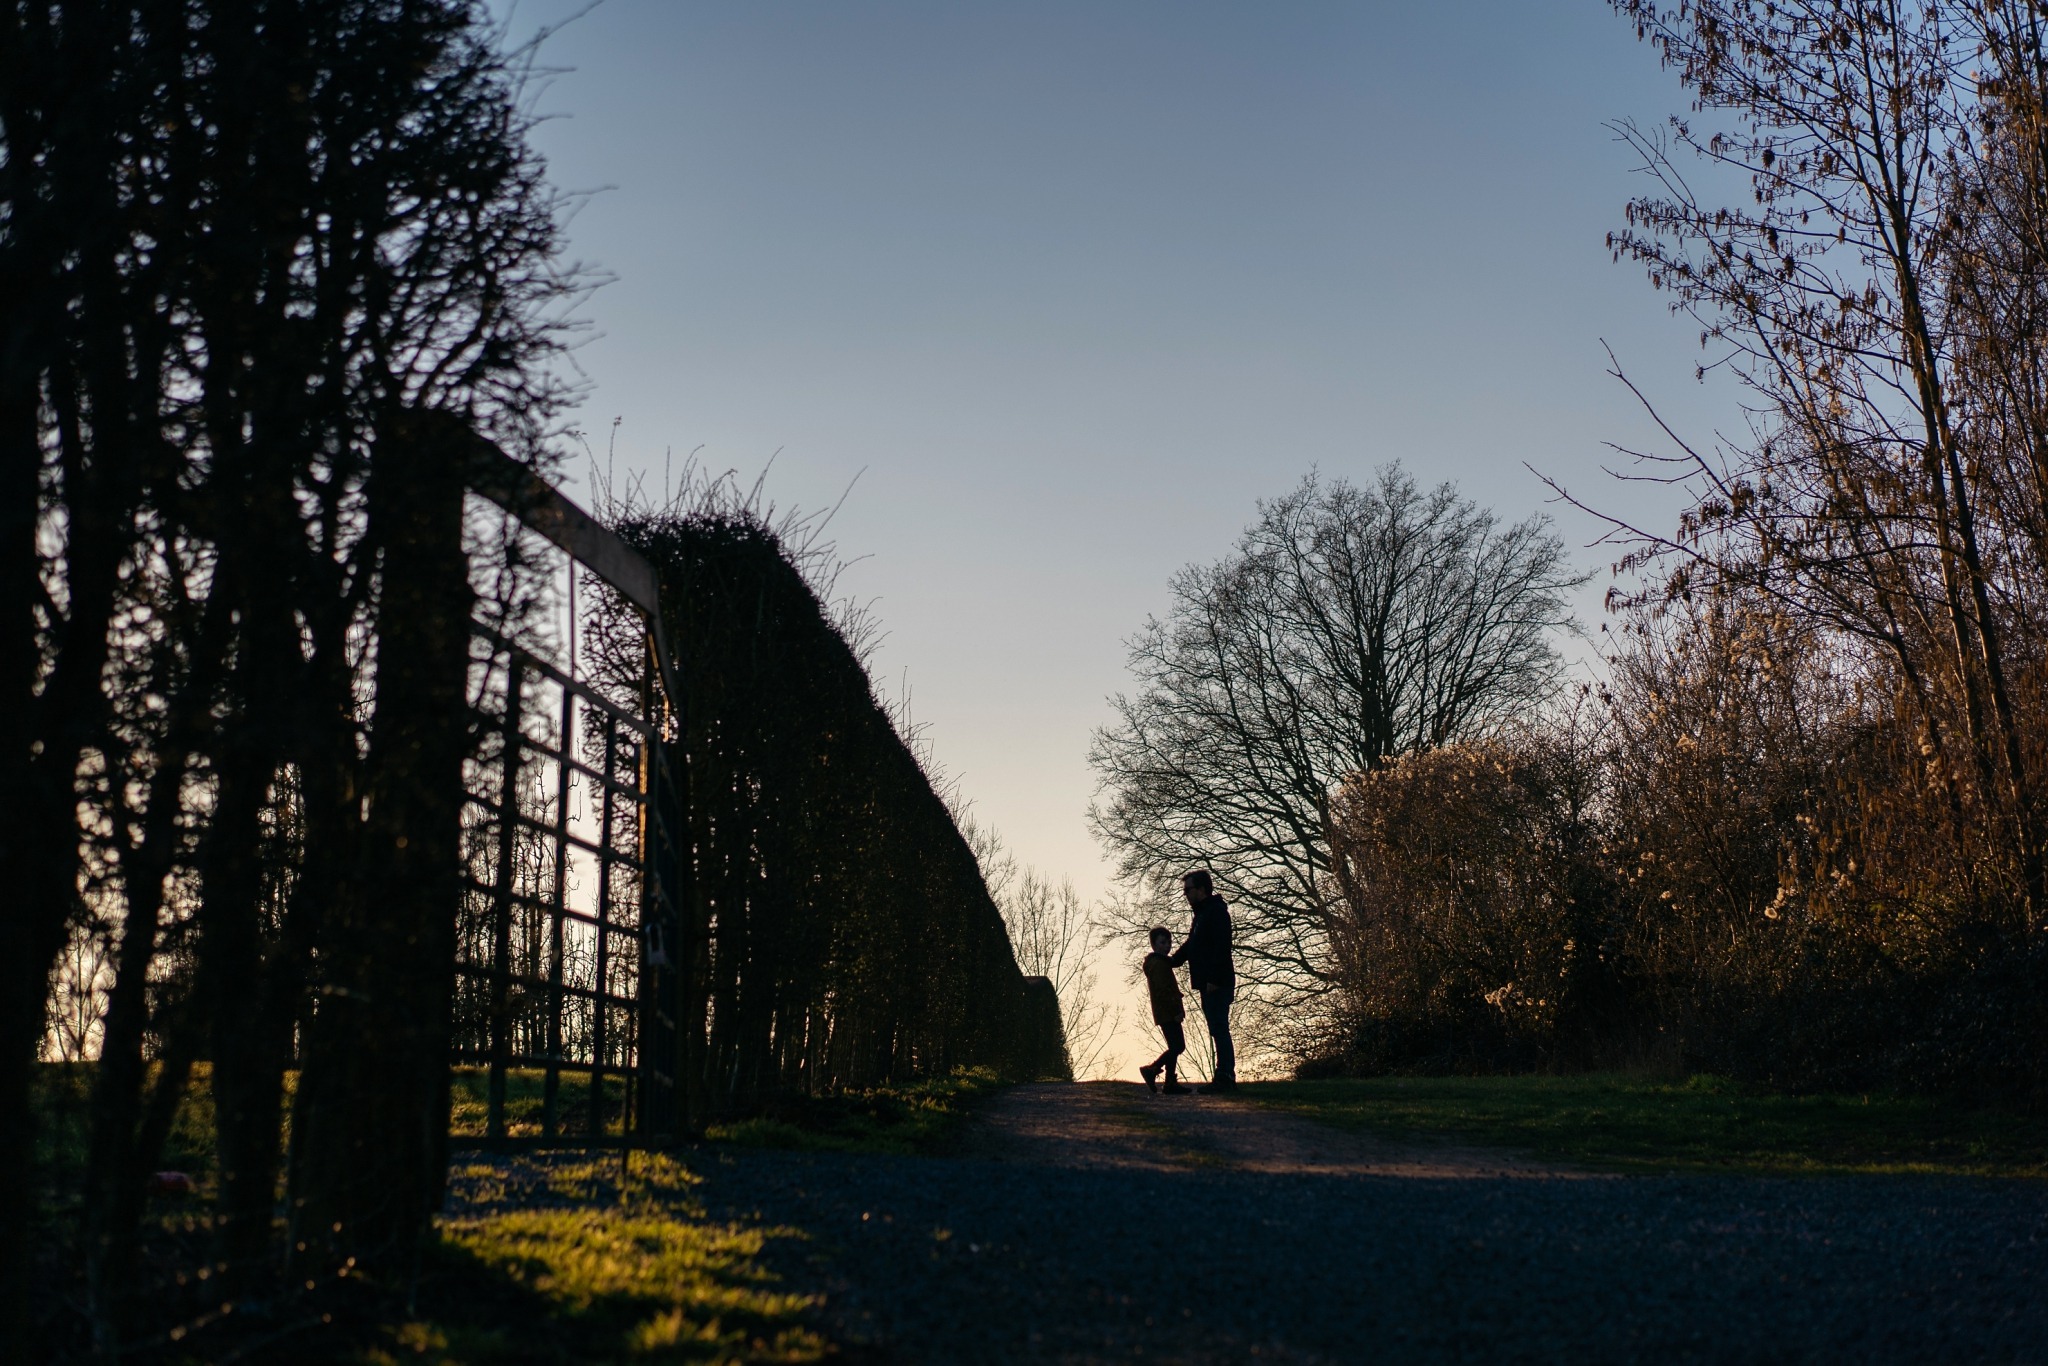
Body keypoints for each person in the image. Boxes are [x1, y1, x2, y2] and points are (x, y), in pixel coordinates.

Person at [1169, 869, 1235, 1091]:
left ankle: (1225, 1076)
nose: (1185, 894)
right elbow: (1192, 945)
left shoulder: (1215, 912)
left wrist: (1215, 979)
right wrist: (1171, 961)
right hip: (1208, 983)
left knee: (1219, 1027)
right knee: (1216, 1028)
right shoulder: (1202, 914)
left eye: (1188, 889)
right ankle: (1223, 1076)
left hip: (1216, 983)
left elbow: (1222, 946)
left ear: (1201, 889)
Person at [1138, 926, 1190, 1095]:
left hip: (1164, 1011)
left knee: (1174, 1046)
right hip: (1167, 1012)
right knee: (1178, 1046)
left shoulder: (1160, 963)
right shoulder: (1159, 965)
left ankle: (1169, 1082)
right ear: (1154, 945)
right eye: (1162, 942)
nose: (1167, 946)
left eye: (1169, 942)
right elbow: (1164, 991)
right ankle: (1152, 1069)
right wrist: (1176, 1010)